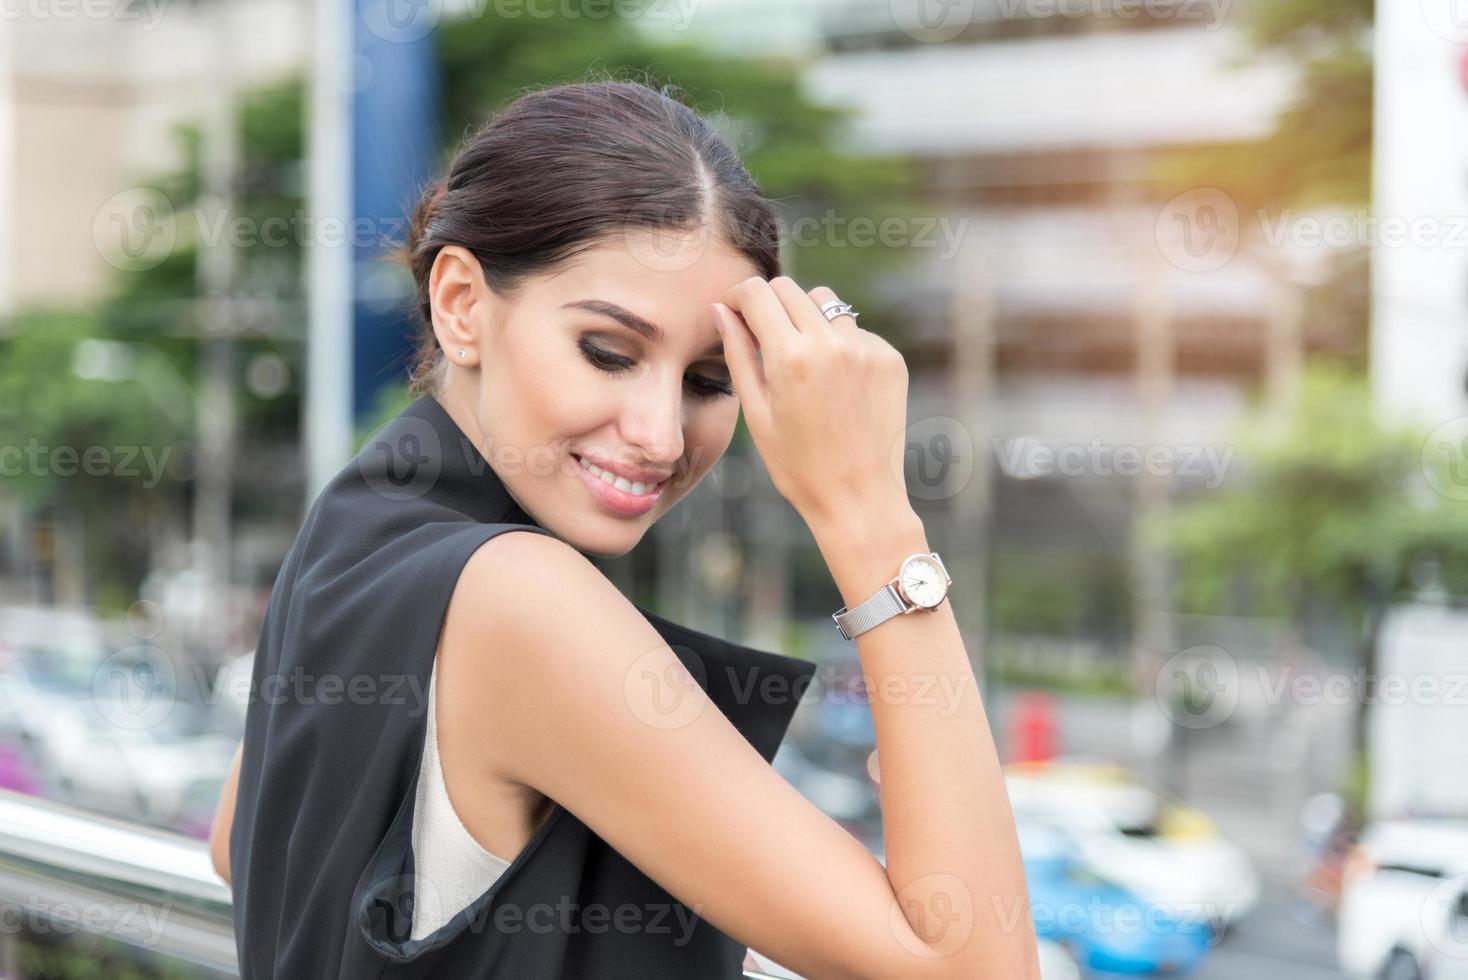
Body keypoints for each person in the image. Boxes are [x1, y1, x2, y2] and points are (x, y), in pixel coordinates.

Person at [210, 77, 1038, 979]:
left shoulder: (357, 524)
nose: (661, 434)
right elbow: (977, 966)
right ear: (460, 304)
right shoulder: (517, 596)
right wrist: (869, 510)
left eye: (710, 381)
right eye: (608, 352)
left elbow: (239, 842)